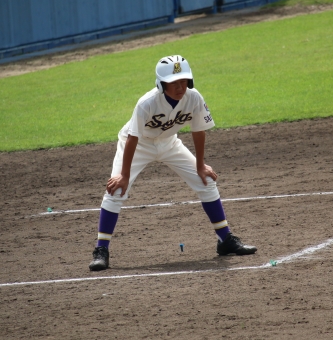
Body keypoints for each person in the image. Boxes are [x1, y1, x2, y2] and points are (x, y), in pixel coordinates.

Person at [89, 55, 257, 271]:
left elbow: (198, 130)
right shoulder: (146, 103)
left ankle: (225, 240)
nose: (180, 87)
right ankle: (101, 250)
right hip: (139, 145)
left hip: (169, 143)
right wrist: (124, 175)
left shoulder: (194, 98)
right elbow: (132, 138)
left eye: (184, 81)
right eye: (174, 82)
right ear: (161, 84)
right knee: (116, 189)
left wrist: (200, 165)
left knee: (206, 180)